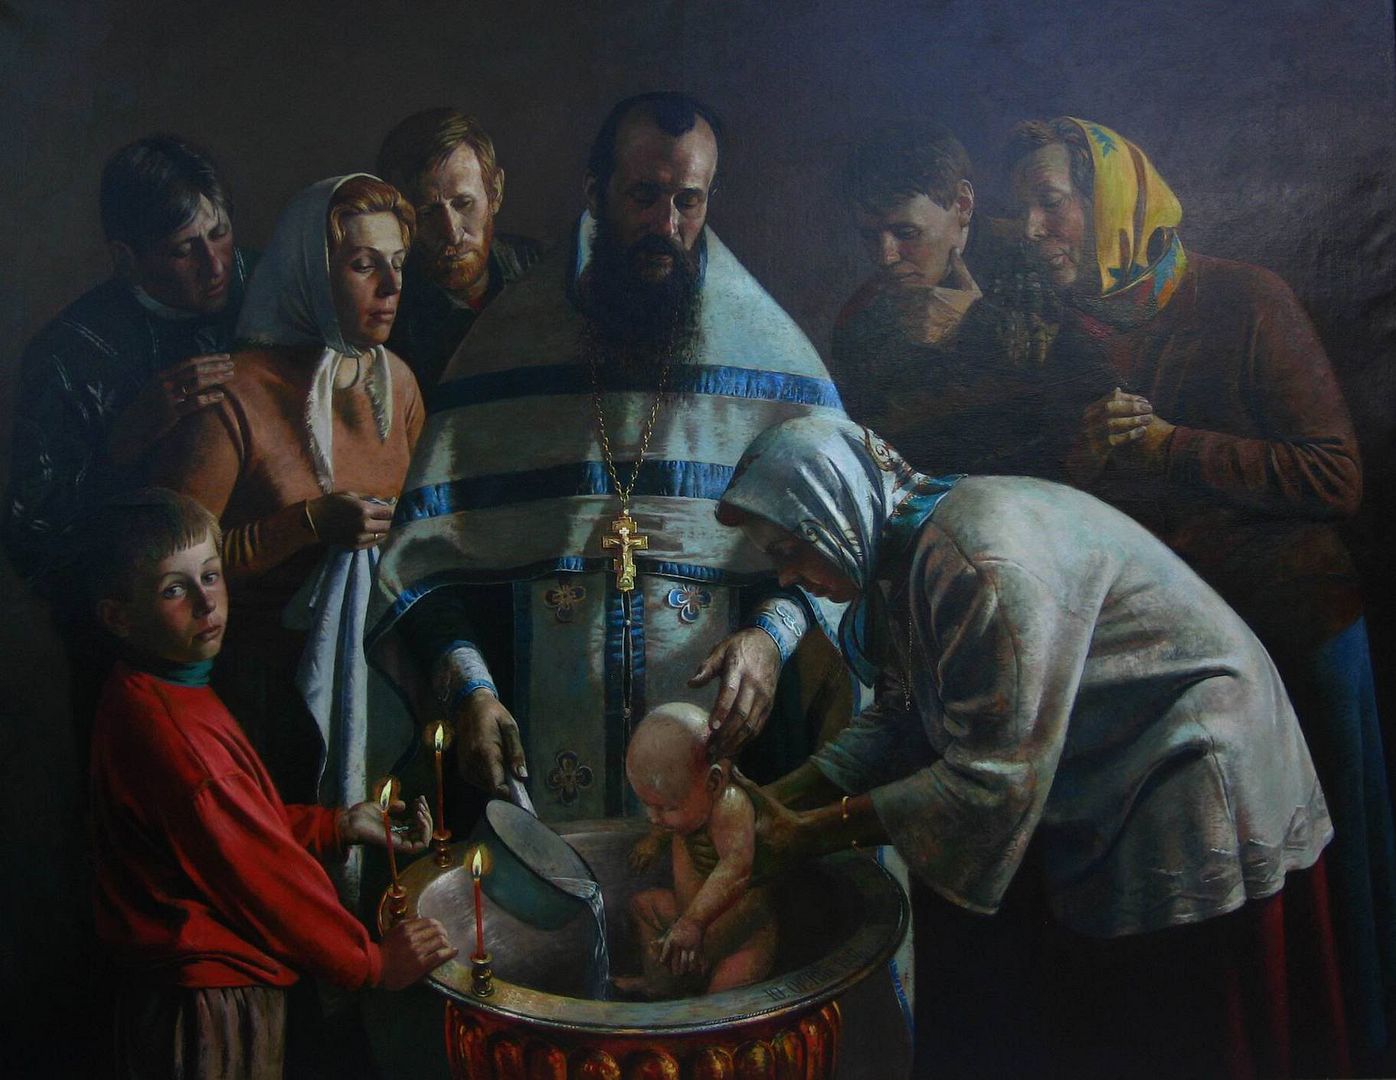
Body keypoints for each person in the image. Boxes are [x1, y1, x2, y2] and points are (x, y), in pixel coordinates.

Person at [716, 415, 1349, 1079]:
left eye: (790, 550)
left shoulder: (974, 557)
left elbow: (991, 779)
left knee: (1178, 1034)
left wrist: (807, 834)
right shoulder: (906, 557)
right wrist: (780, 798)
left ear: (834, 508)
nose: (785, 577)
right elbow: (904, 717)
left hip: (1194, 762)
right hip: (1117, 760)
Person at [1007, 115, 1396, 1065]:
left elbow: (1335, 477)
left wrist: (1169, 446)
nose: (1031, 229)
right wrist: (1085, 464)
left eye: (1050, 204)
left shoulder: (1244, 298)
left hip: (1297, 644)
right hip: (1181, 676)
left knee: (1324, 910)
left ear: (1112, 204)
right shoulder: (1075, 343)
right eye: (1024, 210)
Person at [370, 91, 850, 827]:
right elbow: (425, 566)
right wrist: (471, 691)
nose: (666, 226)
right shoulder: (504, 351)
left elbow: (839, 548)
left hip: (724, 758)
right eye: (644, 196)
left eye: (688, 201)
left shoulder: (772, 358)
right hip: (538, 766)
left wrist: (768, 639)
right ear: (596, 194)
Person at [83, 487, 455, 1079]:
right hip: (210, 996)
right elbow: (263, 877)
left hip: (187, 983)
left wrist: (333, 825)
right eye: (174, 589)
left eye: (211, 576)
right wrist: (373, 964)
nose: (206, 603)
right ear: (118, 617)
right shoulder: (178, 737)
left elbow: (226, 829)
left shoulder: (153, 689)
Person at [152, 175, 424, 823]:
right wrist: (307, 524)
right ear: (309, 272)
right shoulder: (235, 396)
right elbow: (171, 569)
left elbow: (424, 535)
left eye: (398, 263)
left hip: (381, 678)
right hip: (260, 697)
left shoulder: (397, 384)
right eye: (364, 265)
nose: (391, 286)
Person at [2, 134, 254, 729]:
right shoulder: (67, 356)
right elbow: (32, 535)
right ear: (125, 258)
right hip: (134, 661)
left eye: (219, 233)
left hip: (261, 624)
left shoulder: (270, 289)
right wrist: (123, 444)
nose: (216, 264)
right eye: (184, 250)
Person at [831, 123, 1097, 476]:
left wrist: (974, 322)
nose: (886, 256)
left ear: (963, 204)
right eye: (870, 236)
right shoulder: (860, 319)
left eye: (906, 233)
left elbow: (1085, 384)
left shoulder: (1041, 257)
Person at [617, 702, 776, 998]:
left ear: (713, 782)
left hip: (738, 938)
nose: (654, 818)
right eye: (648, 805)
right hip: (688, 918)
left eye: (666, 808)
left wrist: (693, 923)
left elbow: (736, 868)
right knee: (643, 906)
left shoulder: (730, 806)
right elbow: (669, 822)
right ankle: (659, 984)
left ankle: (706, 996)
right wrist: (655, 839)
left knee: (720, 1000)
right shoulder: (691, 802)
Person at [375, 107, 541, 389]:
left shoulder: (544, 269)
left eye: (463, 204)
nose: (452, 234)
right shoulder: (386, 314)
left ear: (495, 191)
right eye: (427, 213)